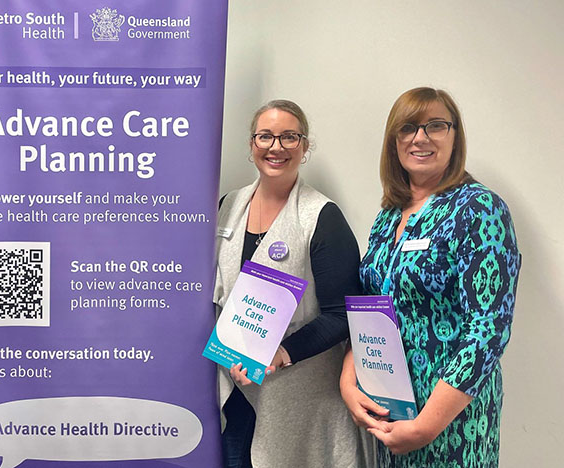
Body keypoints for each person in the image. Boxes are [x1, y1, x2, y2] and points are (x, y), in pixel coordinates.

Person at [339, 87, 521, 467]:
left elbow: (488, 329)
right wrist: (348, 379)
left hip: (450, 419)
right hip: (390, 409)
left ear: (455, 136)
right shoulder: (389, 214)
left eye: (435, 125)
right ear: (395, 142)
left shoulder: (479, 209)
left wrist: (426, 426)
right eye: (408, 128)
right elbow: (372, 307)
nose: (420, 138)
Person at [214, 100, 371, 468]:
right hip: (236, 392)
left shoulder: (322, 217)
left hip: (300, 400)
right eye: (265, 136)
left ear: (304, 146)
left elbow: (341, 314)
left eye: (289, 137)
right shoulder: (228, 205)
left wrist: (282, 352)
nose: (276, 147)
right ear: (252, 144)